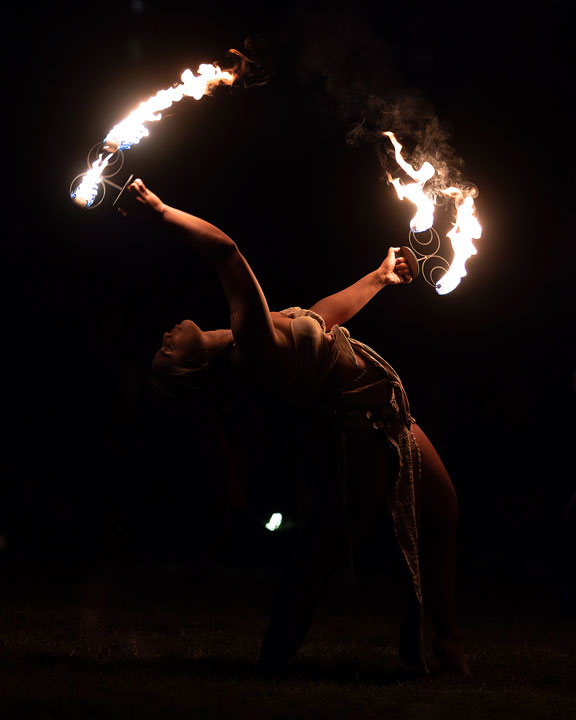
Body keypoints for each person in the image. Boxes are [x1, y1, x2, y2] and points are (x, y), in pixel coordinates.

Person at [120, 178, 470, 677]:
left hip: (385, 409)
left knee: (443, 508)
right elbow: (226, 250)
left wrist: (377, 277)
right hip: (359, 431)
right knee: (325, 549)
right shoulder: (253, 346)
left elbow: (320, 322)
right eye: (164, 353)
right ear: (188, 371)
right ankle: (275, 658)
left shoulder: (253, 336)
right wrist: (159, 210)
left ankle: (448, 640)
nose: (164, 336)